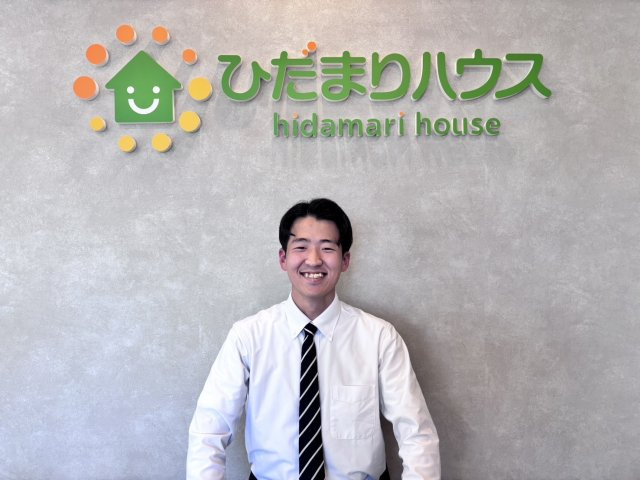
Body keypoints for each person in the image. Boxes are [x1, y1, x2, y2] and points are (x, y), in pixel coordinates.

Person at [186, 198, 440, 480]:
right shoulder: (248, 336)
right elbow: (209, 431)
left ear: (345, 260)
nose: (314, 260)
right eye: (301, 247)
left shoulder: (380, 337)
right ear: (283, 258)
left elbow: (417, 435)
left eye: (327, 248)